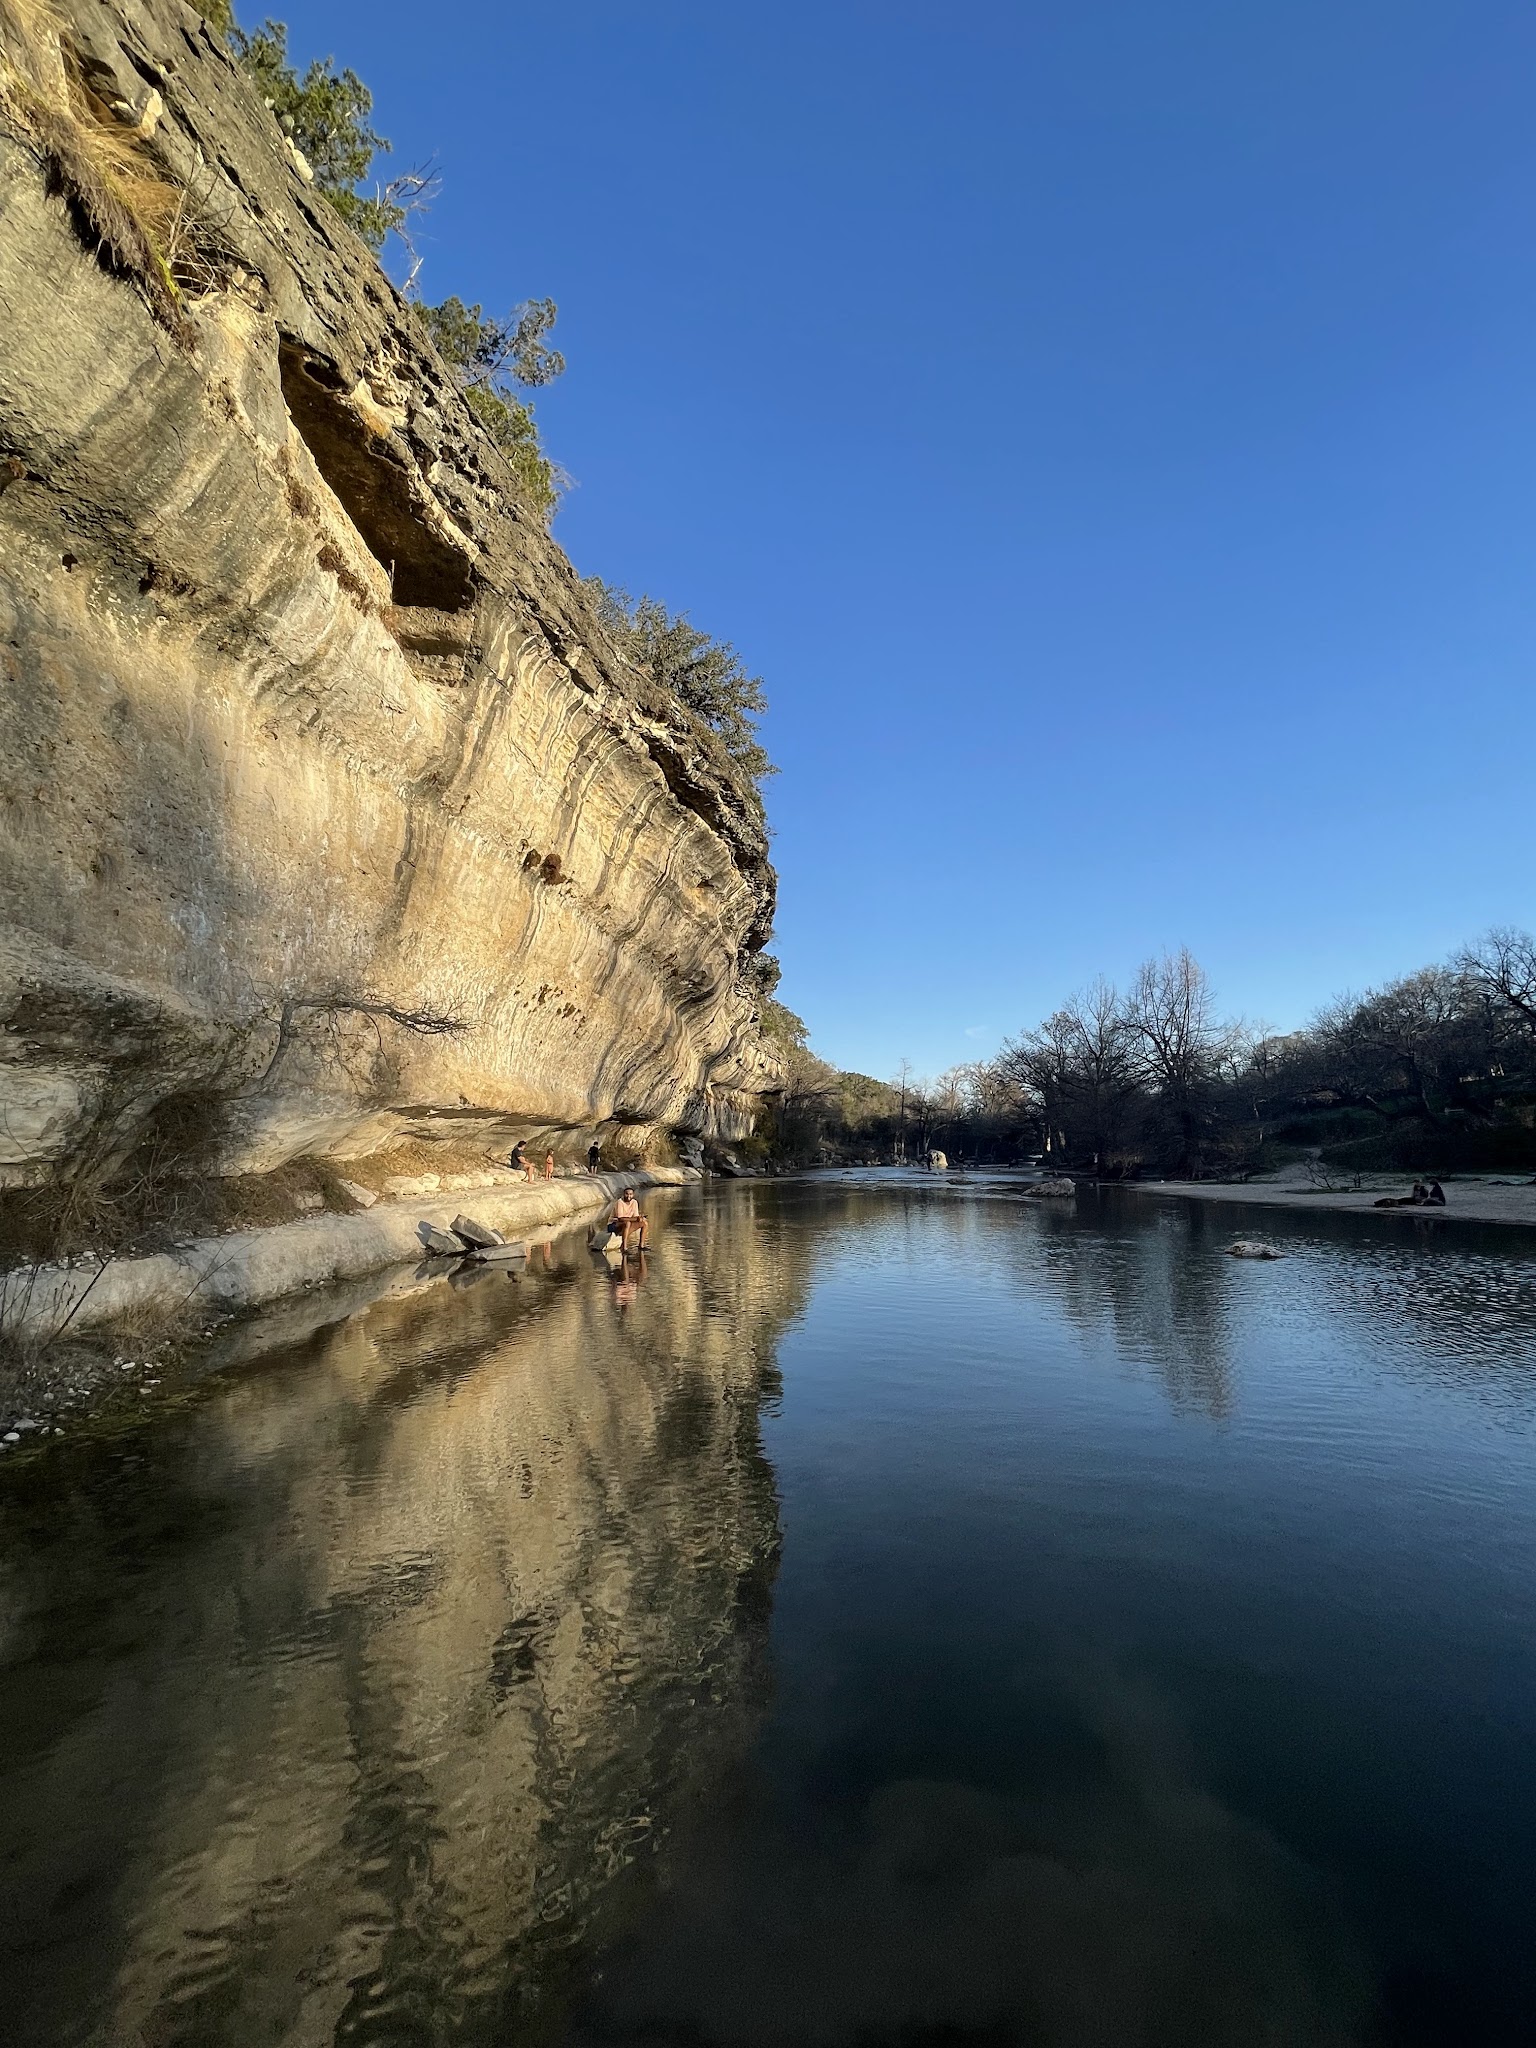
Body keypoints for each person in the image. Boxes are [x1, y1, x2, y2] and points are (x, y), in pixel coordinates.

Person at [607, 1186, 648, 1251]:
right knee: (627, 1223)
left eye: (630, 1194)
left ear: (633, 1195)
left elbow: (636, 1216)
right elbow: (620, 1218)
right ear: (624, 1194)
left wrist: (640, 1218)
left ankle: (641, 1245)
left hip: (626, 1224)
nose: (629, 1196)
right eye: (627, 1194)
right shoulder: (620, 1202)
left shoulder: (634, 1202)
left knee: (644, 1223)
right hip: (614, 1224)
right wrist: (636, 1219)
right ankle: (624, 1247)